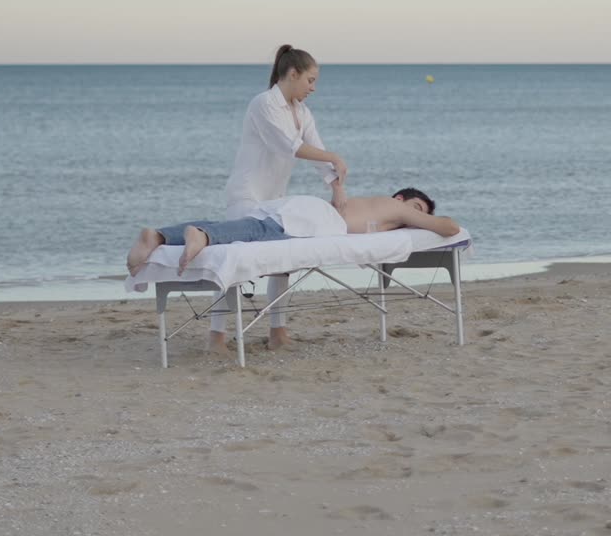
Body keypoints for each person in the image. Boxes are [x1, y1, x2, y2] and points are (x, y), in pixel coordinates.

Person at [210, 44, 348, 351]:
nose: (313, 88)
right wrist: (334, 157)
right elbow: (288, 146)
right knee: (235, 263)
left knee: (283, 262)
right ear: (293, 74)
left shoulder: (303, 112)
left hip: (275, 199)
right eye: (310, 80)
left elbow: (316, 151)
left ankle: (277, 332)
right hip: (246, 196)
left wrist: (336, 187)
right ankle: (216, 335)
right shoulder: (263, 103)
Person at [126, 187, 460, 280]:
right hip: (317, 219)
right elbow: (450, 228)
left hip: (309, 211)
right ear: (401, 198)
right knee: (258, 230)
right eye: (417, 208)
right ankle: (202, 235)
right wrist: (422, 220)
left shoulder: (382, 210)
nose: (417, 218)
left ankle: (159, 237)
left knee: (247, 228)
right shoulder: (395, 207)